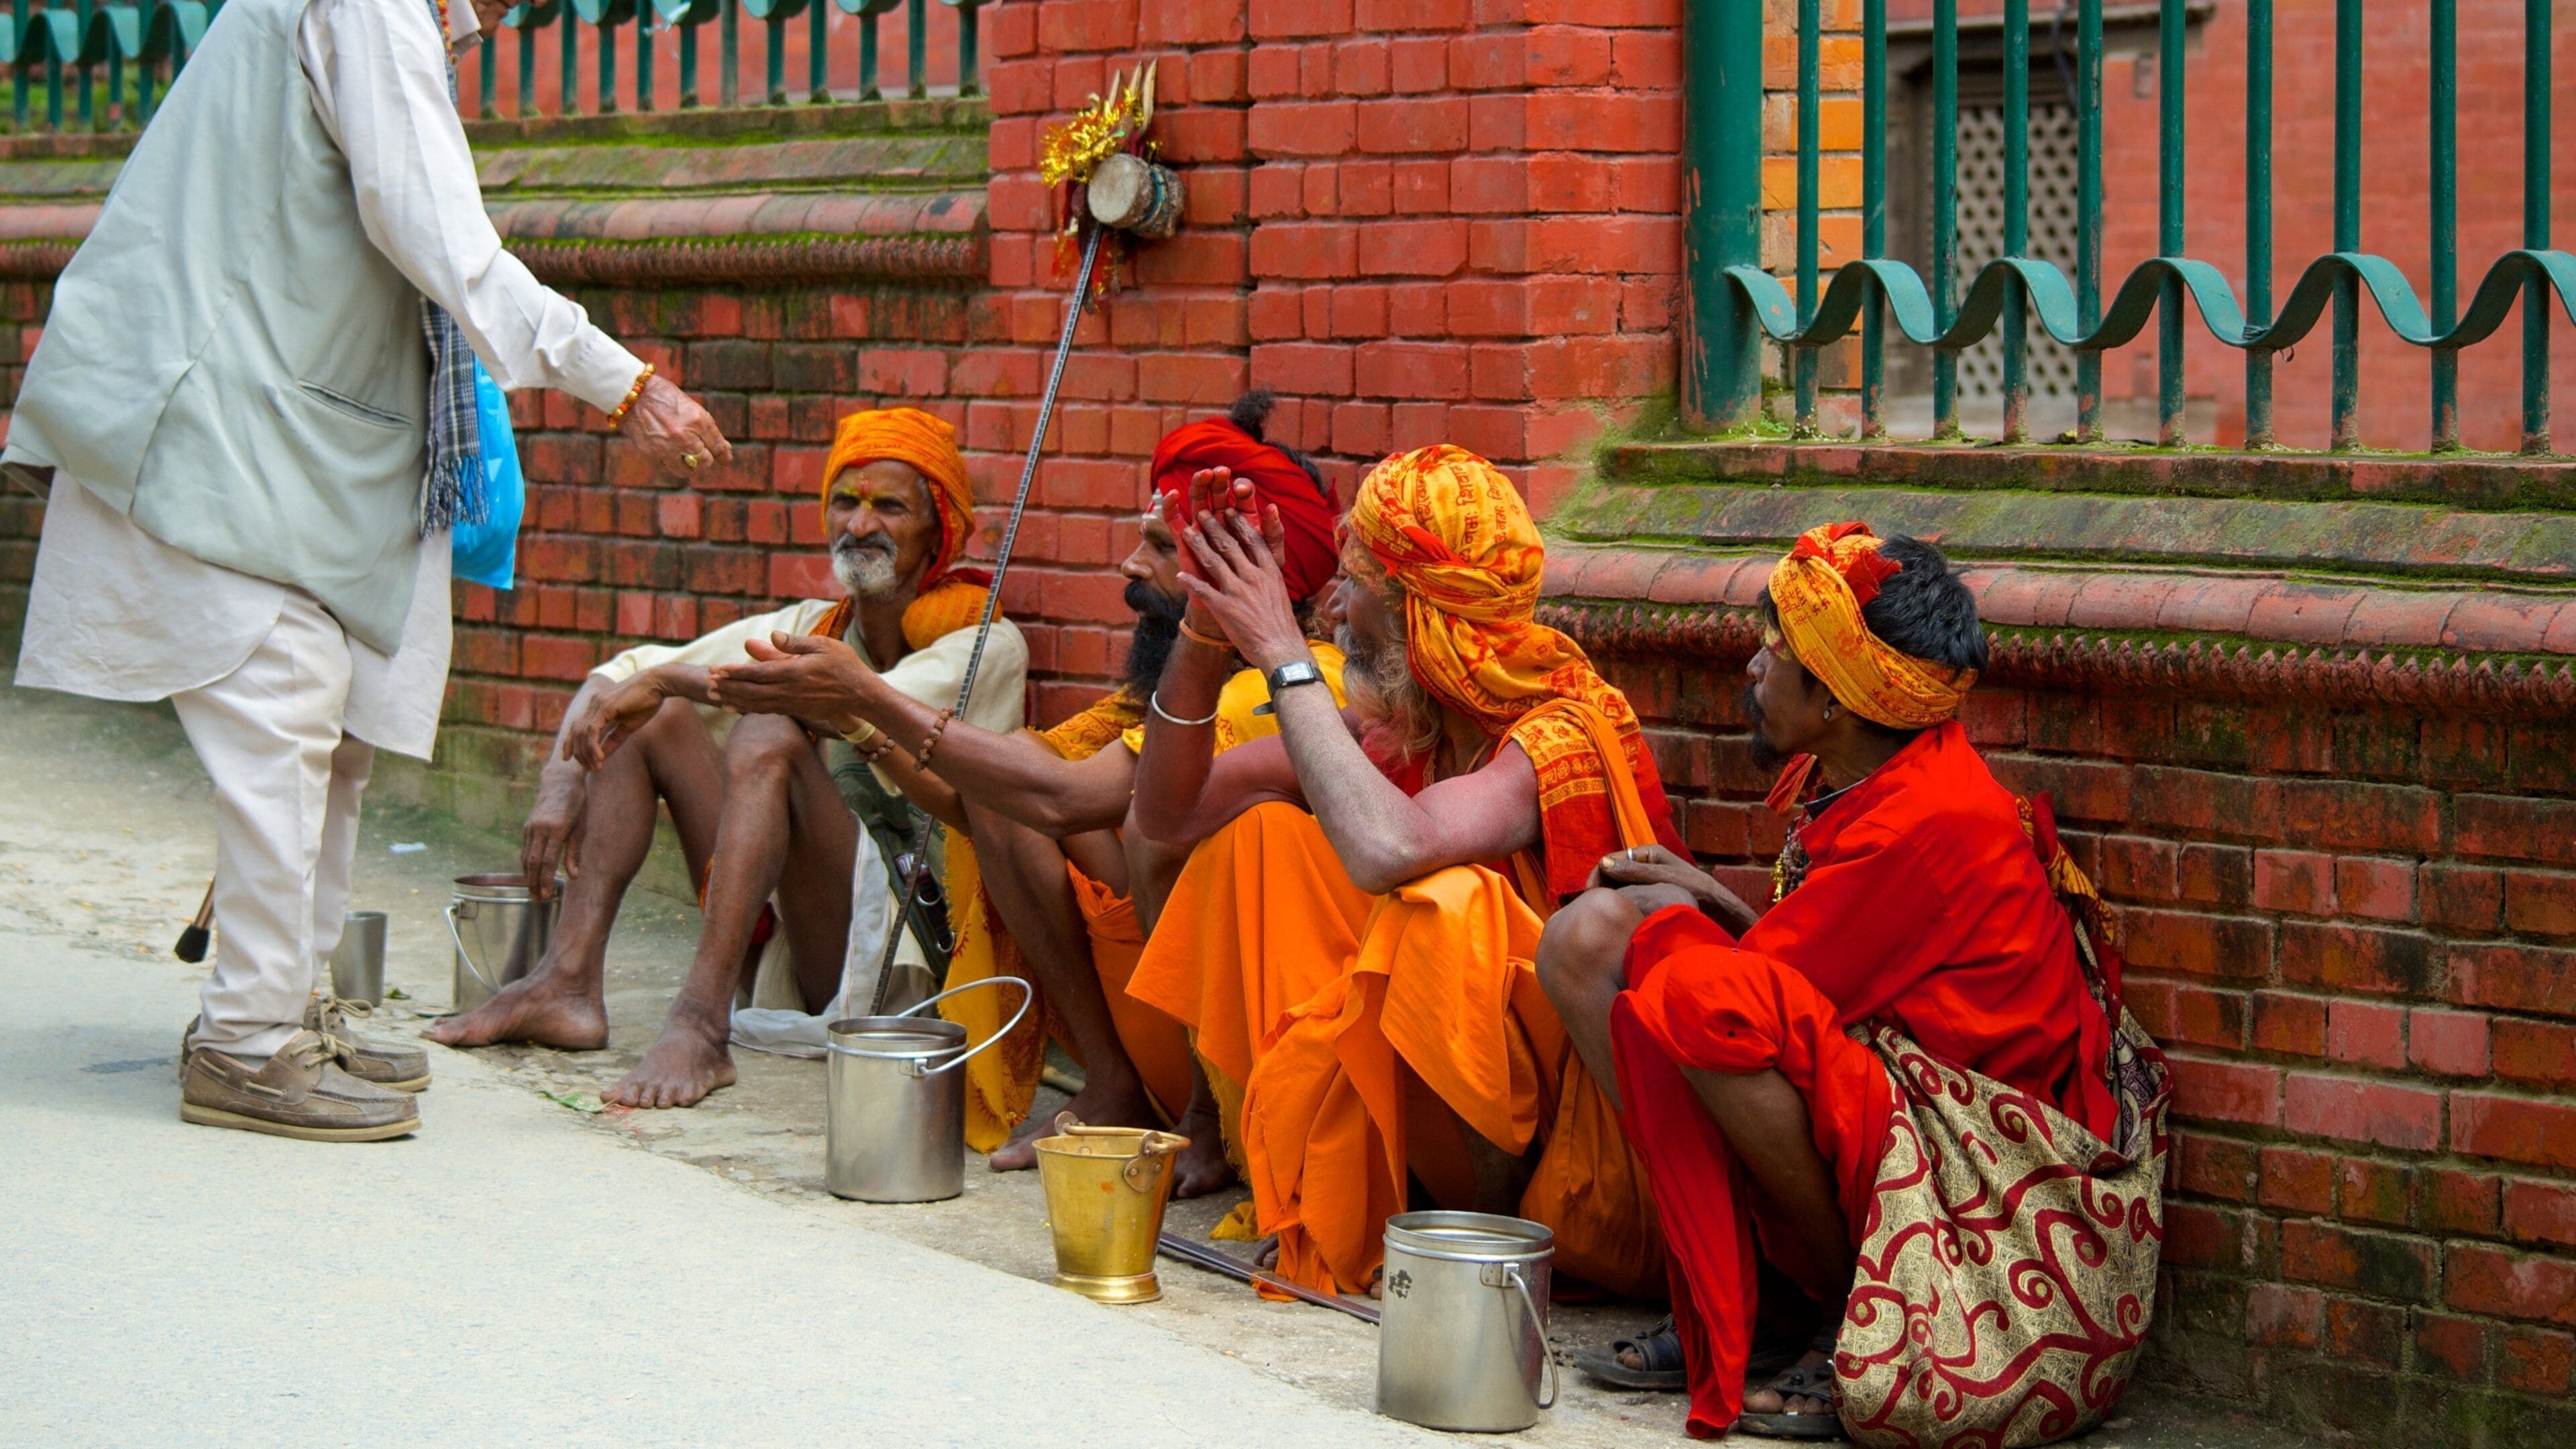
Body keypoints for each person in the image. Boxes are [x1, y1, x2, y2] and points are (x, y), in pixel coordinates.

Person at [5, 0, 728, 1140]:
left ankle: (285, 1012)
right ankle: (246, 1044)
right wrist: (620, 380)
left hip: (277, 424)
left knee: (331, 726)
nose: (492, 30)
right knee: (284, 702)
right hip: (218, 408)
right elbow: (433, 229)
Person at [1533, 523, 2123, 1439]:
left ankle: (1853, 1309)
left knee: (1699, 1002)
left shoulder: (1928, 820)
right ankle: (1749, 1288)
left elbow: (1761, 997)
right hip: (1881, 1066)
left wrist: (1719, 922)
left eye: (1781, 654)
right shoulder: (1861, 770)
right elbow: (1812, 969)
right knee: (1589, 936)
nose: (1756, 670)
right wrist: (1715, 904)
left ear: (1840, 701)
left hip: (1959, 1142)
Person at [704, 394, 1346, 1198]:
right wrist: (856, 721)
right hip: (1152, 1012)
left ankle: (1199, 1115)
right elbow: (981, 797)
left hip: (1256, 1050)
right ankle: (1109, 1080)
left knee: (1069, 800)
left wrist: (868, 697)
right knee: (1007, 780)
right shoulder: (1161, 693)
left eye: (1156, 550)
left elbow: (1068, 798)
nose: (1129, 570)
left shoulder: (1280, 691)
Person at [1122, 443, 1688, 1299]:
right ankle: (1330, 1187)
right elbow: (1164, 818)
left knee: (1447, 902)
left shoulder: (1563, 730)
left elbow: (1396, 849)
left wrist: (1283, 652)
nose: (1333, 602)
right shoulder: (1395, 726)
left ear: (1422, 609)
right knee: (1262, 838)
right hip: (1436, 1145)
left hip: (1584, 1175)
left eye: (1356, 580)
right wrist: (1209, 628)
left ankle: (1487, 1257)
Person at [427, 408, 1024, 1109]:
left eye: (890, 507)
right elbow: (625, 671)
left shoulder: (985, 644)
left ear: (938, 534)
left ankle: (701, 1025)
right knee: (647, 718)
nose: (860, 526)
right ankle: (566, 981)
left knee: (764, 731)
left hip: (904, 953)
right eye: (845, 503)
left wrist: (664, 680)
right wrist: (561, 781)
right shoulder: (811, 625)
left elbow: (833, 704)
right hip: (803, 938)